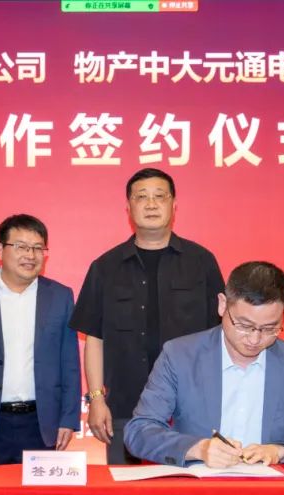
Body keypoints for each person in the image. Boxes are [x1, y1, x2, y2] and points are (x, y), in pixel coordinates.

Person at [70, 168, 224, 464]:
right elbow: (94, 339)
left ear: (173, 205)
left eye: (159, 197)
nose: (151, 204)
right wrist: (97, 400)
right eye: (142, 197)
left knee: (188, 489)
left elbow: (220, 336)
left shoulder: (201, 262)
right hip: (125, 407)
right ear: (128, 207)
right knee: (125, 490)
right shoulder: (105, 267)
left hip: (191, 409)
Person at [124, 261, 284, 467]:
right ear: (222, 304)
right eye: (244, 325)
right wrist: (199, 449)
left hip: (271, 488)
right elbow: (139, 432)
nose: (254, 339)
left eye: (270, 328)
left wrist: (280, 452)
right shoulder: (180, 356)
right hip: (198, 486)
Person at [0, 214, 81, 464]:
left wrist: (68, 419)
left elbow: (69, 362)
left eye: (38, 248)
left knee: (38, 491)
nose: (30, 255)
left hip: (41, 423)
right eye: (21, 246)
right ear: (0, 250)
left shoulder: (60, 296)